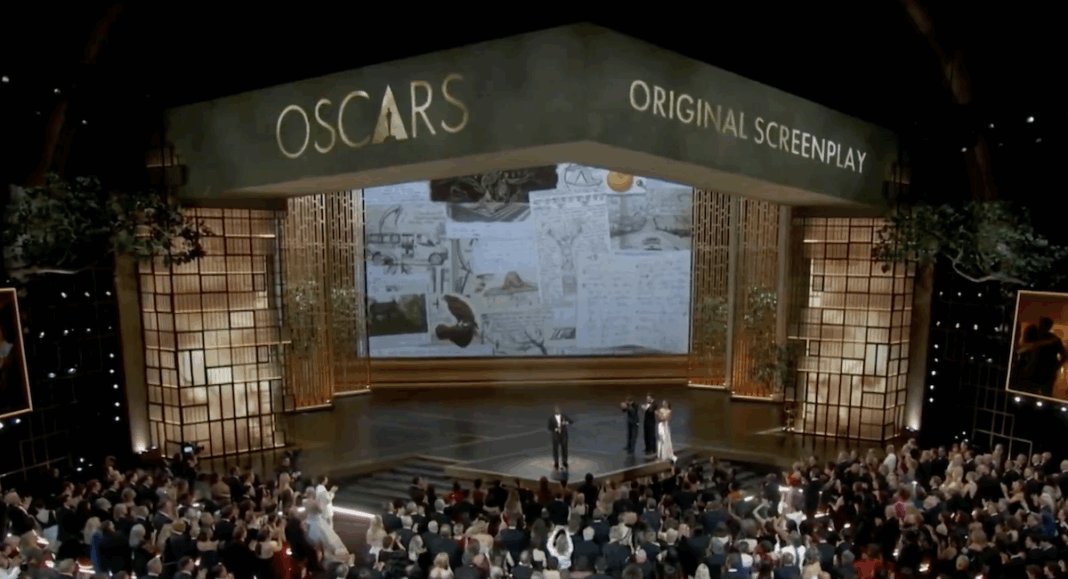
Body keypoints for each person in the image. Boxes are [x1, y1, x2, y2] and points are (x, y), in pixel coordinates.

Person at [548, 405, 573, 471]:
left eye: (558, 410)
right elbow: (549, 427)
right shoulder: (551, 418)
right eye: (556, 410)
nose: (557, 411)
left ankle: (564, 461)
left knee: (564, 448)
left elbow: (571, 421)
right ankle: (556, 462)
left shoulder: (564, 416)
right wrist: (556, 429)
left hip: (563, 435)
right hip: (556, 435)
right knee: (555, 449)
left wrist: (564, 423)